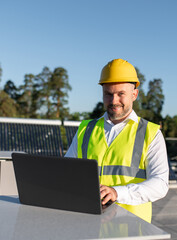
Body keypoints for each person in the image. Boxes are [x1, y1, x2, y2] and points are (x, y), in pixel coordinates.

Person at [65, 58, 169, 223]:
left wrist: (117, 192)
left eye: (121, 94)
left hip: (132, 227)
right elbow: (67, 172)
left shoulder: (151, 133)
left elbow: (160, 184)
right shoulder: (85, 130)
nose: (114, 101)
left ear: (134, 94)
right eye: (108, 94)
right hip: (89, 224)